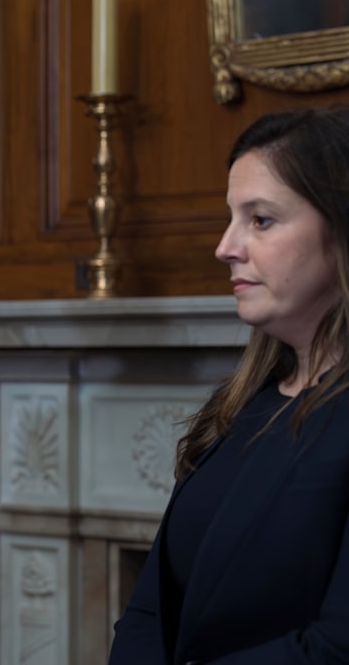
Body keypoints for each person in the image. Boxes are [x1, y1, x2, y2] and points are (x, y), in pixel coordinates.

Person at [110, 106, 349, 663]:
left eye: (260, 220)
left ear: (340, 232)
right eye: (231, 218)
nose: (225, 246)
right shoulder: (239, 406)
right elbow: (151, 607)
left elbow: (337, 647)